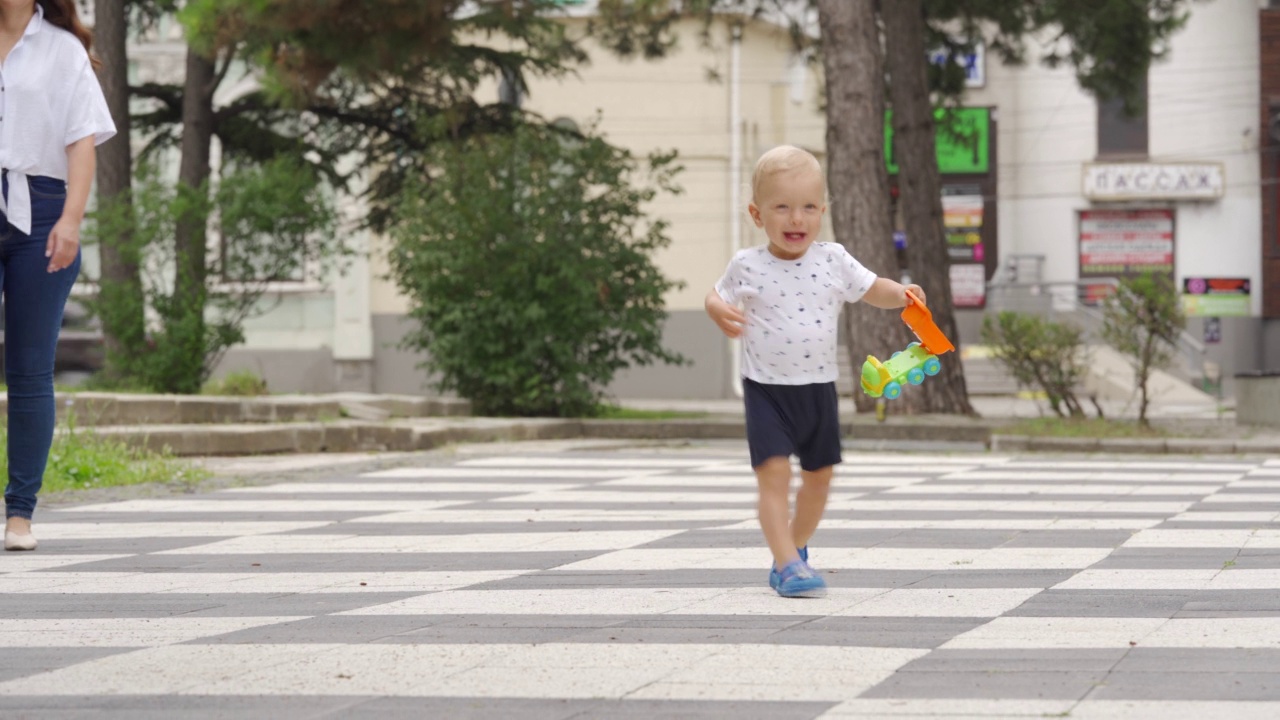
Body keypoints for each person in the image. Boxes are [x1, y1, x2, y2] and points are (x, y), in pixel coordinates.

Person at [705, 145, 925, 598]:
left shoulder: (833, 259)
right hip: (766, 390)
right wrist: (715, 309)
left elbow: (872, 289)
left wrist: (901, 294)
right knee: (774, 475)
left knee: (820, 478)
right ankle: (787, 564)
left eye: (808, 207)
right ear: (757, 213)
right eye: (781, 207)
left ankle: (795, 547)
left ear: (822, 210)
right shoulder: (747, 264)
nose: (796, 219)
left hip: (818, 390)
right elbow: (717, 294)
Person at [1, 0, 116, 551]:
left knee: (28, 369)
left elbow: (82, 143)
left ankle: (20, 514)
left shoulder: (63, 49)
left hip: (42, 210)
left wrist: (72, 219)